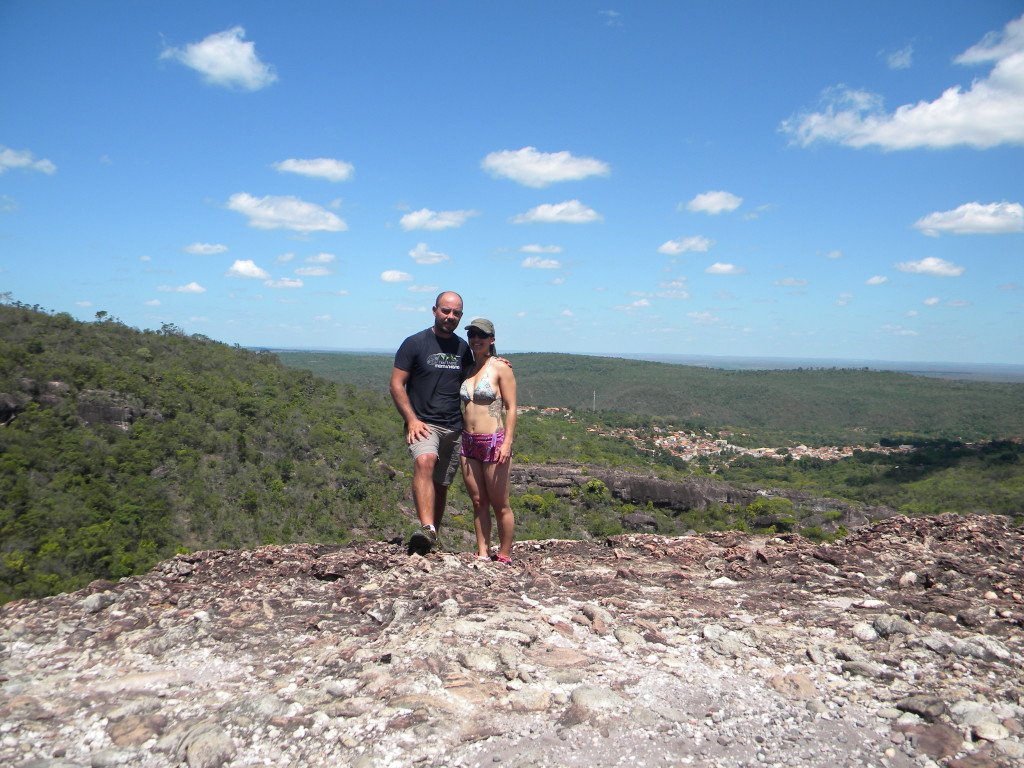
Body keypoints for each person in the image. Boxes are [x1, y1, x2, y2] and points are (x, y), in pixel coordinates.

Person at [390, 291, 470, 554]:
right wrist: (411, 420)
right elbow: (396, 384)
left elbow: (473, 379)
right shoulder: (415, 343)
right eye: (446, 311)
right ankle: (426, 528)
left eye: (456, 313)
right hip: (424, 423)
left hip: (453, 426)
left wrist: (495, 361)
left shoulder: (462, 348)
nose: (450, 316)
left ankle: (432, 537)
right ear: (435, 310)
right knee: (425, 461)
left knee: (441, 484)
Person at [459, 317, 517, 564]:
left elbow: (511, 407)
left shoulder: (501, 368)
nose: (476, 339)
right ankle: (482, 552)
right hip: (468, 442)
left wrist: (507, 443)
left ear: (492, 339)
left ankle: (504, 554)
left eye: (481, 335)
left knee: (499, 503)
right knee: (478, 501)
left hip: (493, 441)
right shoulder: (468, 368)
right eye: (472, 335)